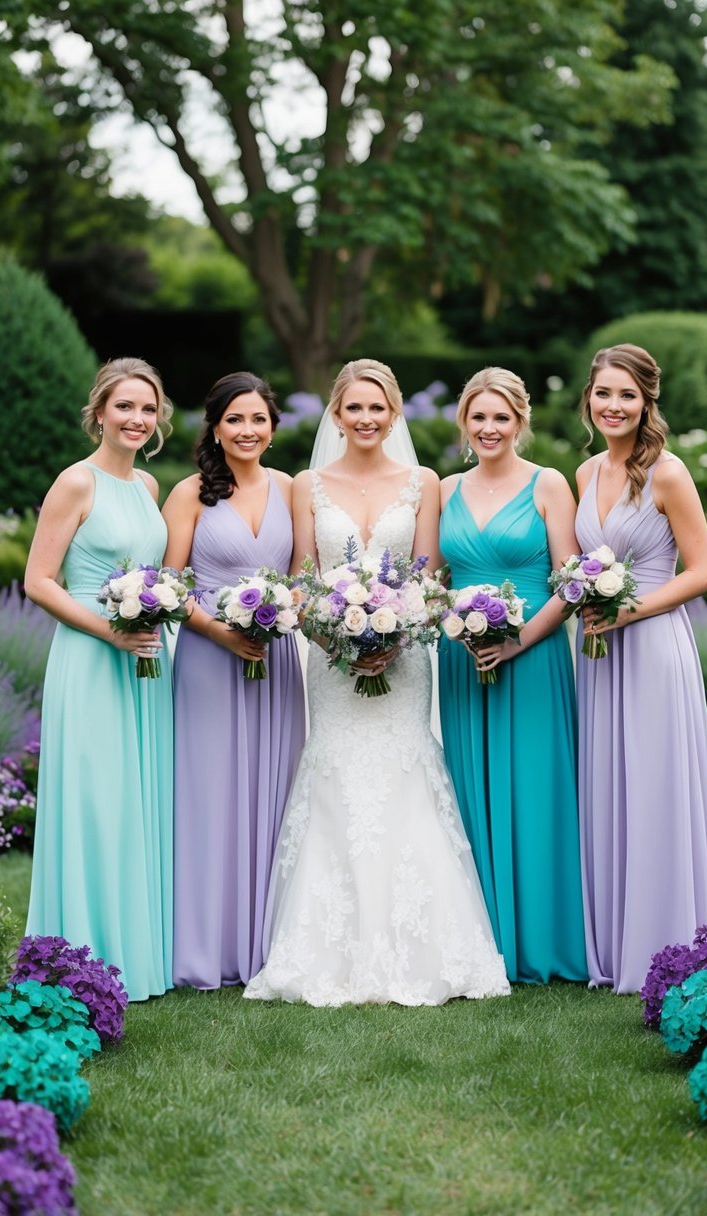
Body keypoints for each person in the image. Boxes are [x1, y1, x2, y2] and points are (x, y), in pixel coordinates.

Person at [244, 358, 510, 1006]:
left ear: (393, 415)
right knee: (335, 775)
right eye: (353, 408)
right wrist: (339, 640)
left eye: (377, 408)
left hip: (407, 658)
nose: (365, 419)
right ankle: (321, 951)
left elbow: (426, 577)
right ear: (335, 414)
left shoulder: (421, 480)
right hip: (331, 667)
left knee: (404, 775)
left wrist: (393, 638)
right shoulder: (307, 483)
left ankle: (425, 946)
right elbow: (304, 582)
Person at [575, 343, 707, 994]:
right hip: (597, 658)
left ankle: (668, 938)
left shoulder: (667, 472)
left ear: (646, 402)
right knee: (609, 787)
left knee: (654, 784)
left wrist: (628, 611)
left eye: (626, 396)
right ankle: (616, 940)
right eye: (603, 394)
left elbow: (703, 571)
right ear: (588, 398)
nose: (613, 407)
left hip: (652, 646)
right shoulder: (584, 474)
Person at [25, 357, 174, 1001]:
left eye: (147, 409)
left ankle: (133, 957)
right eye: (125, 407)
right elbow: (38, 581)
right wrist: (107, 629)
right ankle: (79, 953)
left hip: (144, 667)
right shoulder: (75, 483)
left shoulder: (147, 488)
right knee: (93, 800)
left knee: (134, 801)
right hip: (91, 660)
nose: (136, 419)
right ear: (100, 412)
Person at [437, 367, 588, 985]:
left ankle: (544, 941)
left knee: (536, 788)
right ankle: (484, 940)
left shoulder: (548, 484)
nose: (489, 427)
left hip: (534, 653)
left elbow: (572, 580)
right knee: (470, 790)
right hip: (461, 659)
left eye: (501, 417)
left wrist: (517, 642)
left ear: (520, 421)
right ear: (464, 424)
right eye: (479, 417)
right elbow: (432, 579)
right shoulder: (444, 487)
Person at [162, 372, 305, 988]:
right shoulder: (190, 493)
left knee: (276, 796)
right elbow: (167, 588)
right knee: (209, 797)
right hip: (207, 662)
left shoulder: (291, 488)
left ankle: (268, 944)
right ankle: (205, 948)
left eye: (258, 420)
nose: (248, 431)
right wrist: (223, 632)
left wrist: (281, 617)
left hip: (275, 666)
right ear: (215, 429)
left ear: (272, 429)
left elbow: (303, 577)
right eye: (235, 420)